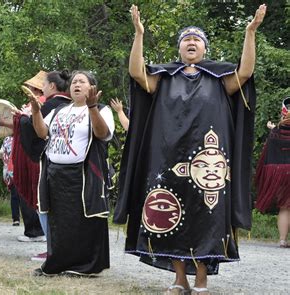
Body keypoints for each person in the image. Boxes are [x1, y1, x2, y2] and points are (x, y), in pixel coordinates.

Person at [114, 4, 266, 294]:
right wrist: (139, 34)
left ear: (204, 48)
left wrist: (250, 33)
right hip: (167, 159)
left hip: (209, 165)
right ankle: (179, 279)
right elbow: (137, 72)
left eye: (197, 39)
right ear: (180, 48)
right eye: (186, 39)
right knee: (169, 218)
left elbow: (245, 72)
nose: (191, 42)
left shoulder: (220, 78)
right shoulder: (164, 76)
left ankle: (202, 280)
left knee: (207, 219)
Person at [28, 70, 114, 276]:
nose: (77, 85)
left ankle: (86, 266)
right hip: (56, 173)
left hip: (83, 174)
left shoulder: (102, 109)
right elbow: (41, 132)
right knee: (60, 223)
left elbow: (102, 134)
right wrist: (35, 111)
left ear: (92, 88)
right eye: (74, 82)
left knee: (85, 221)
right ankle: (58, 263)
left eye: (82, 82)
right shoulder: (60, 110)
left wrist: (91, 107)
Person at [14, 70, 72, 261]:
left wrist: (21, 119)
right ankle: (64, 248)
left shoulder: (46, 106)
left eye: (44, 85)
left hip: (46, 161)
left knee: (44, 204)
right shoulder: (73, 106)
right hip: (70, 163)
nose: (42, 89)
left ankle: (52, 248)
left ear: (52, 86)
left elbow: (36, 132)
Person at [255, 97, 290, 249]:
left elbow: (267, 154)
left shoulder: (275, 132)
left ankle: (282, 240)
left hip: (280, 173)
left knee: (285, 206)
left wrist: (273, 129)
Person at [0, 135, 20, 226]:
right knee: (24, 194)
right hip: (20, 168)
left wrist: (6, 159)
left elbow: (0, 154)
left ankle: (16, 219)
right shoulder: (22, 137)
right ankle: (28, 217)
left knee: (14, 195)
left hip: (10, 170)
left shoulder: (7, 139)